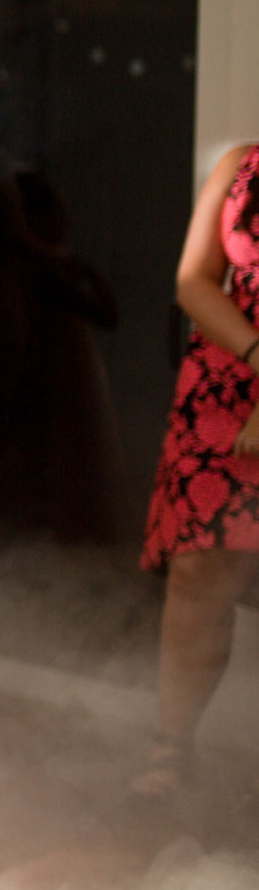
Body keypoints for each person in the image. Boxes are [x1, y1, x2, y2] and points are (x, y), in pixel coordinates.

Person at [132, 140, 259, 799]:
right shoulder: (241, 163)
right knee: (198, 571)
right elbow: (192, 280)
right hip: (222, 387)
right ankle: (171, 749)